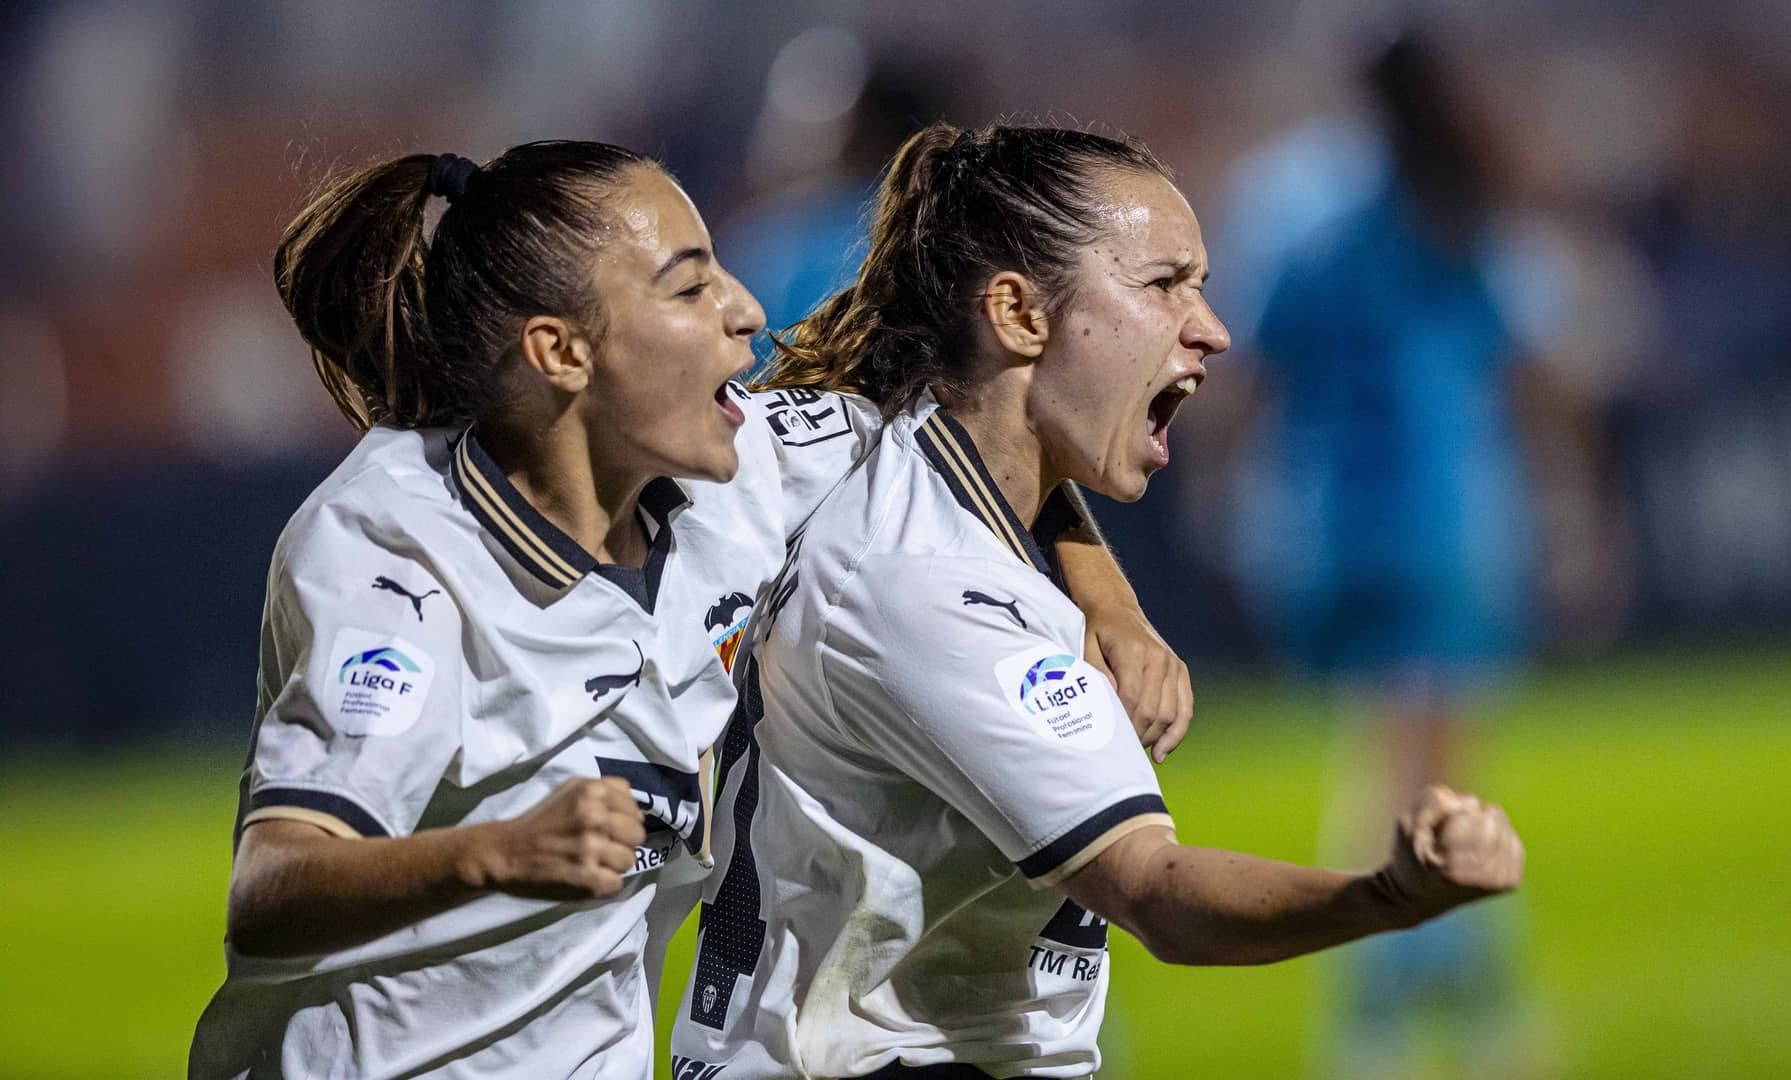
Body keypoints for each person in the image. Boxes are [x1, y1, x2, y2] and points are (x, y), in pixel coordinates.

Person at [189, 138, 1187, 1080]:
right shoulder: (396, 555)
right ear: (561, 351)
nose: (748, 310)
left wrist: (1112, 604)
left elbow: (980, 439)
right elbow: (273, 890)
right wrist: (494, 851)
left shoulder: (736, 470)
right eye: (690, 285)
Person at [667, 123, 1526, 1080]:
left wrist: (1101, 589)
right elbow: (1157, 890)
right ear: (1020, 315)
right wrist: (1388, 896)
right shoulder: (928, 592)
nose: (1211, 326)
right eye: (1164, 285)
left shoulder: (864, 446)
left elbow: (1000, 449)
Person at [1206, 32, 1559, 1075]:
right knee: (1423, 773)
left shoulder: (1292, 195)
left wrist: (1226, 495)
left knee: (1394, 761)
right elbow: (1528, 363)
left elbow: (1249, 364)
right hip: (1446, 520)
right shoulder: (1460, 184)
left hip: (1318, 525)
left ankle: (1428, 1012)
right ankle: (1410, 1012)